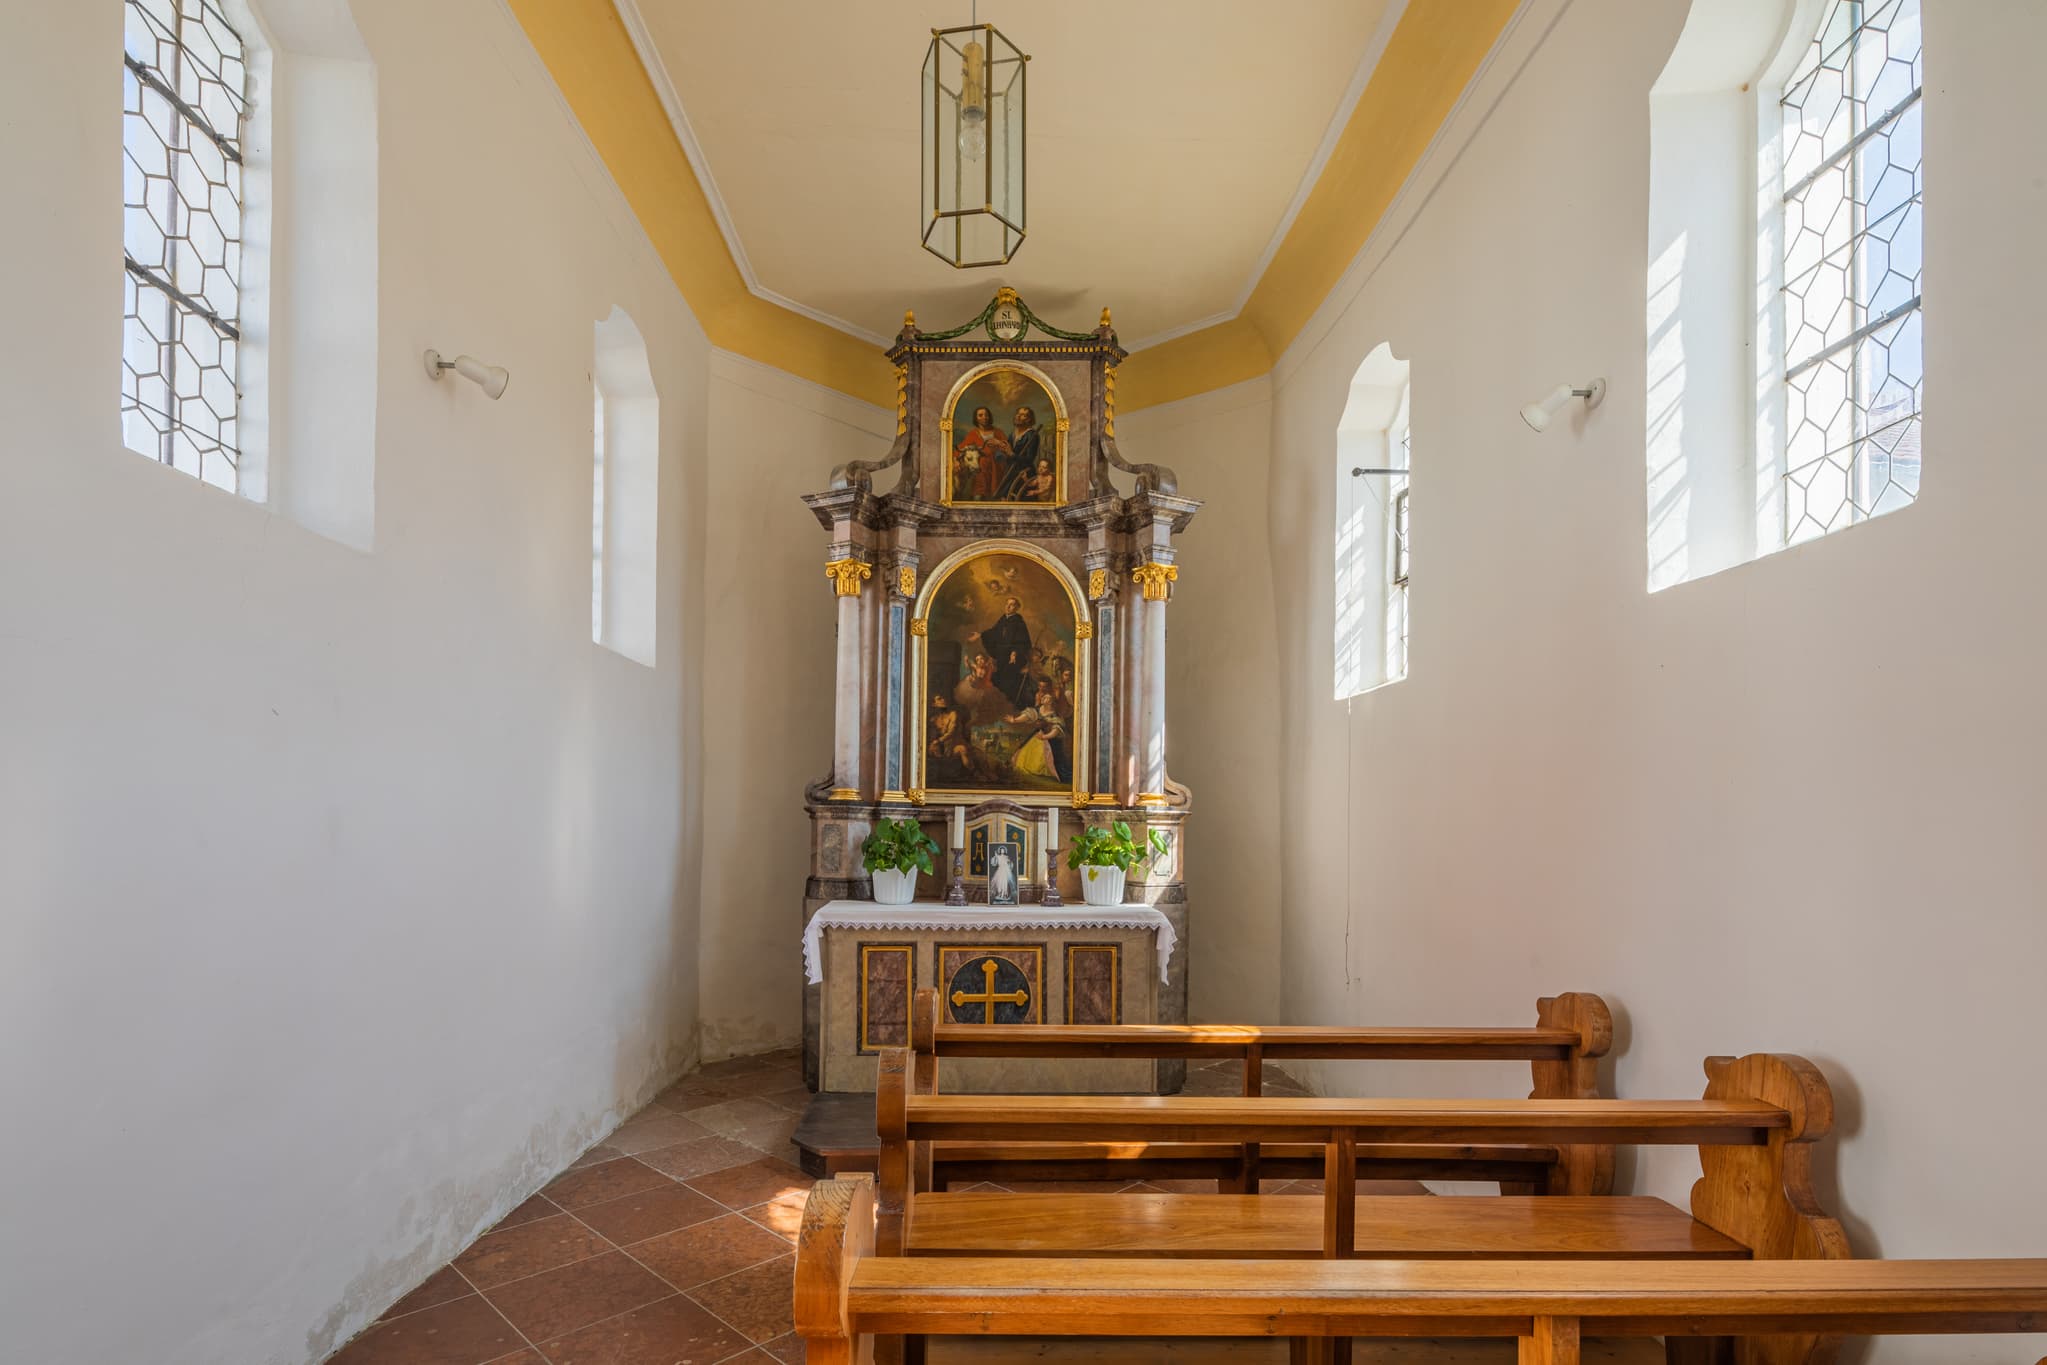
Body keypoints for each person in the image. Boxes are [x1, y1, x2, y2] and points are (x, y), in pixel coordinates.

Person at [969, 597, 1033, 708]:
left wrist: (1015, 652)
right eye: (1007, 604)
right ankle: (999, 705)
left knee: (1009, 681)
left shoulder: (1019, 622)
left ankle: (1010, 706)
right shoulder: (1003, 619)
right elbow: (994, 632)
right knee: (996, 679)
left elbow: (1024, 641)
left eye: (1012, 605)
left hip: (1013, 659)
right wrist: (980, 635)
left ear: (1017, 608)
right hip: (1001, 656)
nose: (1008, 606)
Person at [954, 406, 1013, 500]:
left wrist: (998, 442)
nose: (984, 417)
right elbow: (961, 448)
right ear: (976, 418)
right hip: (981, 470)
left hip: (996, 469)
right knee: (978, 494)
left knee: (996, 494)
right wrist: (955, 460)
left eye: (986, 415)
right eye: (980, 415)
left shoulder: (998, 432)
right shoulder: (973, 434)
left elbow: (1008, 449)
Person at [1001, 406, 1044, 500]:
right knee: (1004, 497)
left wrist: (1012, 454)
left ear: (1029, 419)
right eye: (1018, 414)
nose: (1018, 416)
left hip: (1024, 473)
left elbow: (1029, 459)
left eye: (1023, 415)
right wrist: (1002, 447)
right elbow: (1008, 452)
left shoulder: (1032, 435)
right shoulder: (1013, 434)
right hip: (1011, 471)